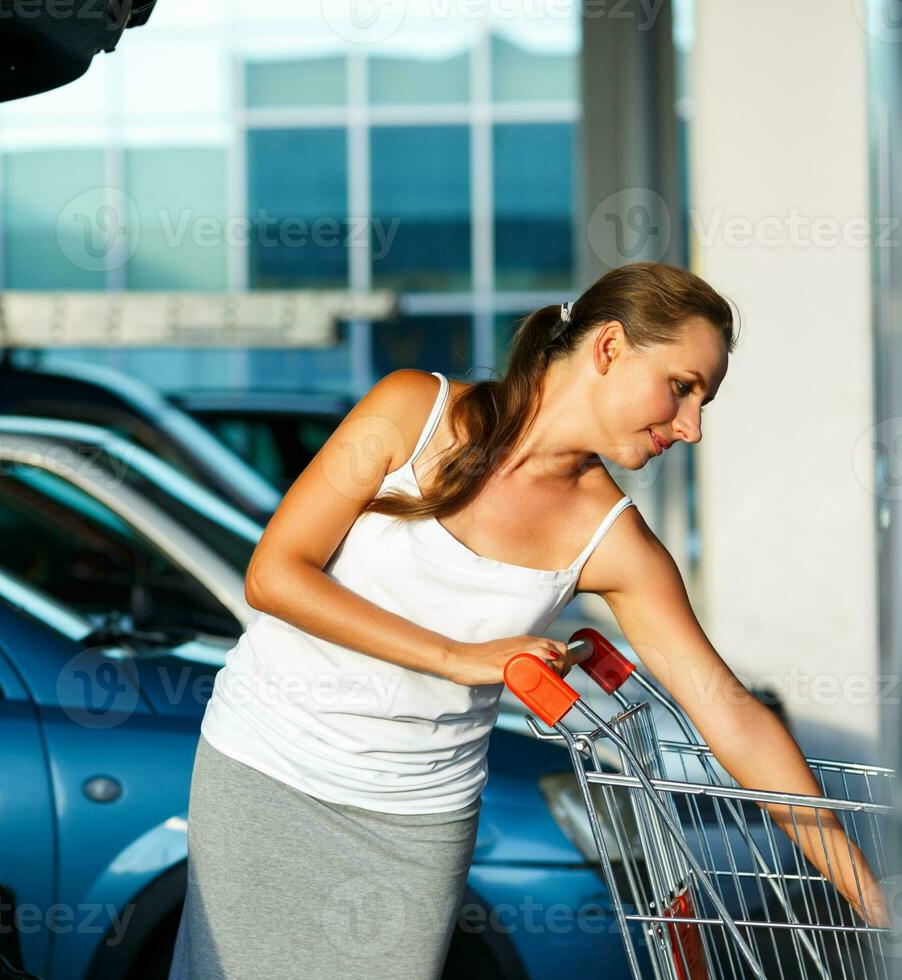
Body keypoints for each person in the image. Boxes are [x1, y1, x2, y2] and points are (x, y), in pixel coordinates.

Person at [167, 261, 889, 980]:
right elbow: (275, 574)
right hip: (267, 766)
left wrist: (870, 898)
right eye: (682, 387)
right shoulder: (410, 412)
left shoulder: (613, 539)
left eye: (702, 402)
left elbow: (728, 714)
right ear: (609, 348)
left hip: (419, 819)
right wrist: (456, 656)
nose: (692, 427)